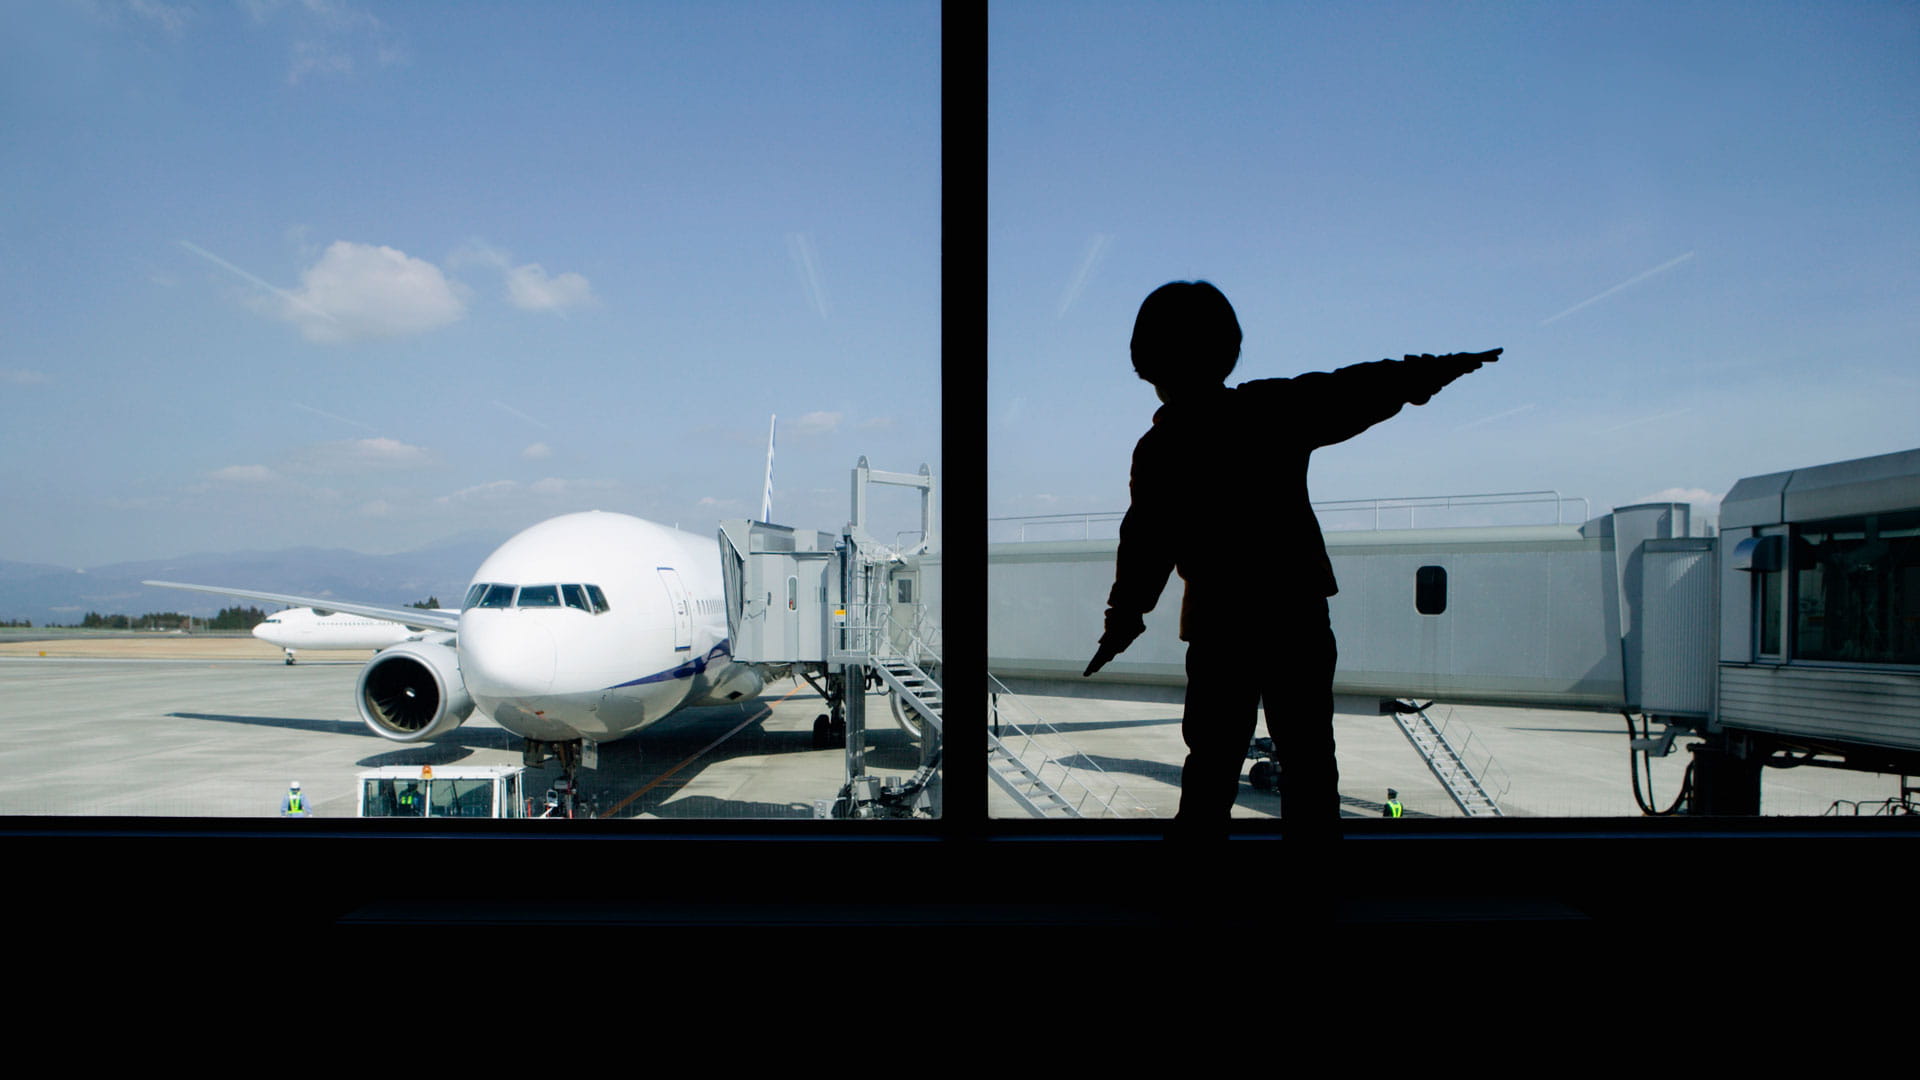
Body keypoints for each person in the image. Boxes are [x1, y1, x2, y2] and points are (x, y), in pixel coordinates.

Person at [1084, 280, 1498, 838]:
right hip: (1295, 612)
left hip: (1218, 620)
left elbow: (1145, 544)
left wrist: (1124, 619)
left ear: (1148, 365)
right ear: (1228, 350)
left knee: (1209, 763)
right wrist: (1434, 369)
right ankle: (1312, 887)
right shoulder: (1271, 411)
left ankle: (1192, 885)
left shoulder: (1161, 448)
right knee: (1308, 759)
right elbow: (1355, 389)